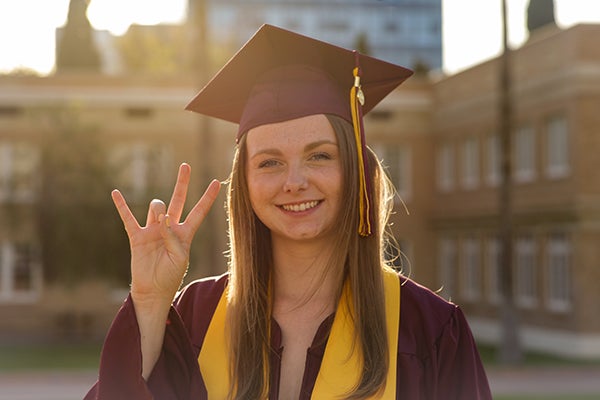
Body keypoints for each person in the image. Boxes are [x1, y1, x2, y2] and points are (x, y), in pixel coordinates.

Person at [85, 24, 492, 400]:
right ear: (243, 183)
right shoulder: (198, 315)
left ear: (354, 168)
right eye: (269, 162)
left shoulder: (430, 330)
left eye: (319, 156)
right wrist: (152, 301)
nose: (294, 181)